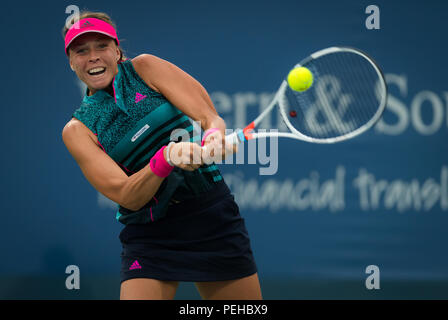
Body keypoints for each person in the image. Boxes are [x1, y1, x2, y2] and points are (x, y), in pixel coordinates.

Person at [61, 11, 262, 300]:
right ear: (71, 61)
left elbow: (209, 117)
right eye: (81, 51)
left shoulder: (146, 68)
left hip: (211, 215)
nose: (93, 56)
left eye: (102, 46)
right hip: (150, 234)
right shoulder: (78, 130)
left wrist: (214, 136)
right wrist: (166, 158)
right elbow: (128, 195)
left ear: (117, 50)